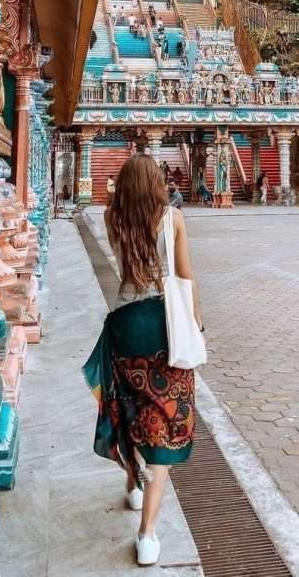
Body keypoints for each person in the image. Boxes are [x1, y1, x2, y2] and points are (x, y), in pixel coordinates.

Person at [85, 155, 201, 567]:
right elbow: (185, 277)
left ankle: (133, 483)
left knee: (128, 410)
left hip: (124, 322)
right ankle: (148, 535)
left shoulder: (110, 217)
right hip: (163, 324)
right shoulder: (172, 219)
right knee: (164, 420)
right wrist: (197, 322)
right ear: (157, 182)